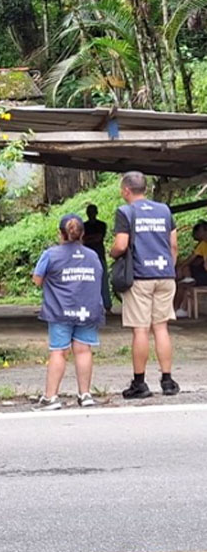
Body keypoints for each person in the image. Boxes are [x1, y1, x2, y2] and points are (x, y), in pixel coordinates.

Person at [109, 171, 180, 399]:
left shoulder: (126, 212)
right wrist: (169, 268)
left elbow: (121, 245)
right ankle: (167, 381)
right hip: (165, 275)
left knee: (140, 329)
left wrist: (112, 253)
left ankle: (140, 383)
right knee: (161, 327)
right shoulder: (164, 210)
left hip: (140, 277)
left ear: (127, 190)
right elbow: (174, 245)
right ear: (145, 189)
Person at [32, 214, 104, 410]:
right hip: (87, 310)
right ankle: (85, 394)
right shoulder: (92, 255)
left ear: (60, 234)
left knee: (59, 351)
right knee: (83, 350)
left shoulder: (51, 254)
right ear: (83, 234)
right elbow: (98, 276)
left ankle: (51, 397)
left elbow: (37, 280)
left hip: (60, 310)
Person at [173, 221, 207, 318]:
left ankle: (179, 309)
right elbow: (192, 258)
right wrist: (180, 267)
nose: (195, 234)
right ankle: (178, 309)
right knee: (181, 282)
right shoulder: (203, 244)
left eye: (199, 231)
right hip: (202, 273)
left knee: (182, 285)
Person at [83, 204, 112, 313]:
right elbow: (84, 239)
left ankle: (107, 305)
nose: (91, 214)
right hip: (87, 257)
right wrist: (91, 238)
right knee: (87, 281)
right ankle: (90, 305)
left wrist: (88, 239)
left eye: (92, 211)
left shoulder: (101, 225)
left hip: (99, 255)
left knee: (103, 281)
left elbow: (97, 238)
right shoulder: (84, 226)